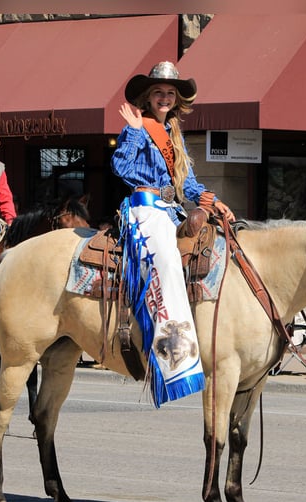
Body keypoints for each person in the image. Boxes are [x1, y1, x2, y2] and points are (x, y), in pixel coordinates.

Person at [110, 61, 235, 406]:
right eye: (158, 93)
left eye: (170, 93)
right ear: (148, 99)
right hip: (144, 208)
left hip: (171, 209)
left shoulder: (175, 136)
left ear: (177, 100)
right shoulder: (139, 127)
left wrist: (215, 201)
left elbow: (188, 184)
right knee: (165, 262)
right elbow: (121, 168)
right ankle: (172, 355)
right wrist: (134, 130)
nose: (164, 98)